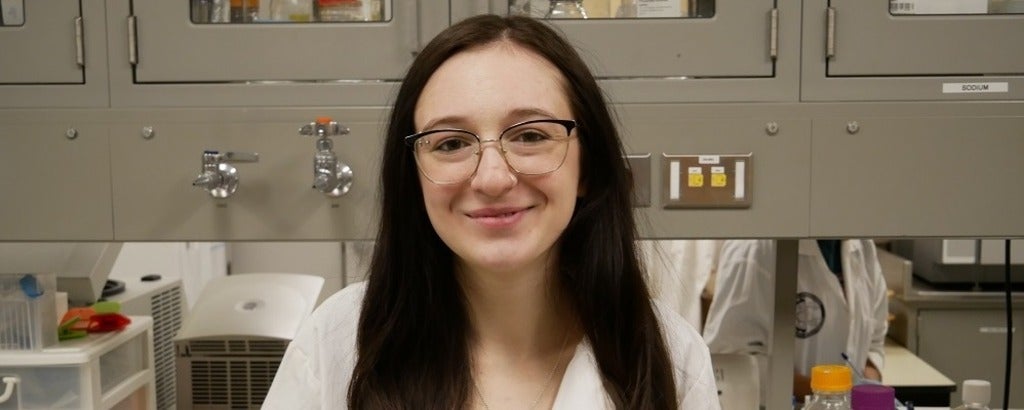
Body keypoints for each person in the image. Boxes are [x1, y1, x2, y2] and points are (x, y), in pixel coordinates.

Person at [263, 14, 719, 409]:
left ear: (587, 168)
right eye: (451, 144)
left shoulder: (671, 357)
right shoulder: (338, 346)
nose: (493, 178)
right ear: (413, 178)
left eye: (530, 136)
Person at [702, 239, 888, 400]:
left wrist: (867, 386)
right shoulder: (752, 249)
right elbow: (730, 360)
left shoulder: (863, 245)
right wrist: (825, 394)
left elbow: (874, 339)